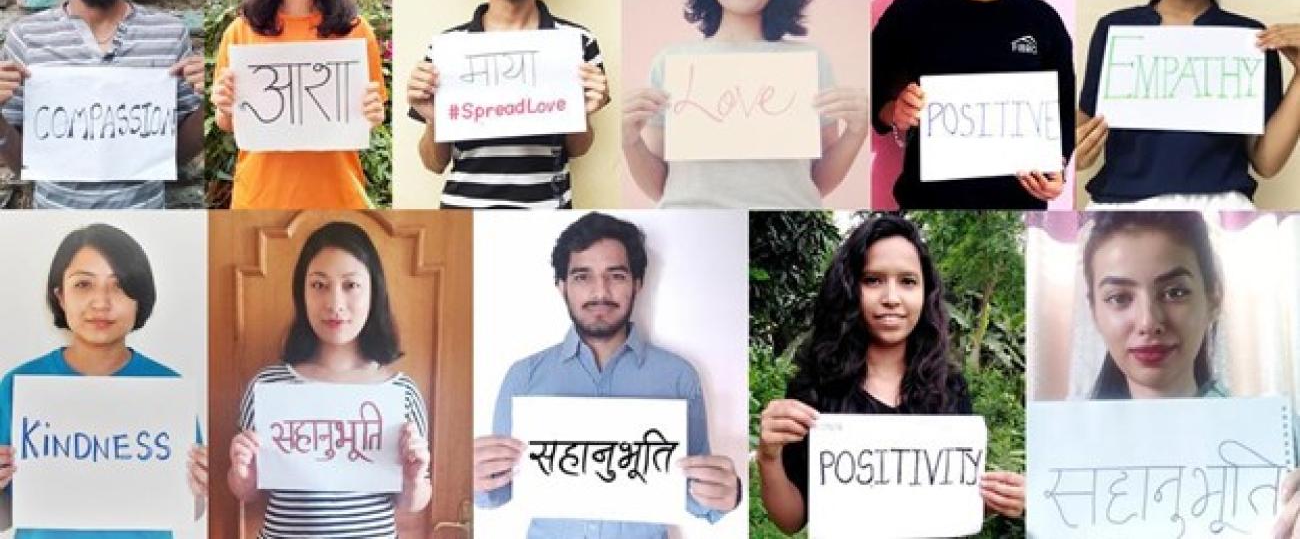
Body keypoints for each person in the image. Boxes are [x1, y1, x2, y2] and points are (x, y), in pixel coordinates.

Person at [472, 212, 739, 536]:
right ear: (561, 287)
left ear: (637, 284)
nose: (600, 292)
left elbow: (698, 495)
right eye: (583, 276)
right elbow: (496, 493)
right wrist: (474, 476)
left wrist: (728, 493)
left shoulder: (679, 377)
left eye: (616, 275)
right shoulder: (523, 378)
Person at [757, 214, 1023, 534]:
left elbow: (946, 506)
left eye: (908, 281)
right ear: (850, 288)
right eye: (873, 280)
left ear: (926, 294)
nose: (891, 298)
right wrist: (769, 457)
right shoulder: (815, 389)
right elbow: (791, 521)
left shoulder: (950, 388)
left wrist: (994, 498)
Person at [622, 0, 869, 208]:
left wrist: (856, 132)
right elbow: (660, 186)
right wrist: (629, 141)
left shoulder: (809, 62)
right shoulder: (672, 63)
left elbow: (817, 181)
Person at [1075, 0, 1300, 209]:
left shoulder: (1249, 38)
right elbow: (1085, 126)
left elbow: (1265, 160)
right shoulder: (1115, 29)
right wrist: (1074, 152)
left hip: (1221, 208)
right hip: (1122, 206)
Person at [1078, 211, 1300, 535]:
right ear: (1095, 313)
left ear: (1213, 298)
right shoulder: (1060, 457)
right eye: (1120, 298)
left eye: (1174, 292)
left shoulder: (1283, 439)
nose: (1148, 321)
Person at [872, 0, 1074, 209]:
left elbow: (1064, 109)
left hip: (1018, 210)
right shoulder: (907, 15)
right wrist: (896, 111)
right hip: (928, 204)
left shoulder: (1043, 21)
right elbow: (871, 93)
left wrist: (1060, 167)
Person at [0, 0, 204, 209]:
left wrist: (212, 103)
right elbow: (21, 164)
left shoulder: (169, 34)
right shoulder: (26, 37)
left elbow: (174, 155)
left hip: (148, 223)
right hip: (54, 222)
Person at [406, 0, 609, 209]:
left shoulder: (576, 42)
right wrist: (435, 120)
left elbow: (579, 148)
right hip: (463, 217)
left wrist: (581, 113)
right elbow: (433, 164)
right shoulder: (446, 49)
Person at [0, 223, 207, 537]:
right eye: (83, 285)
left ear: (141, 298)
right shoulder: (19, 385)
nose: (102, 302)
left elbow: (188, 509)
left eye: (120, 285)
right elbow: (5, 516)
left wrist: (200, 485)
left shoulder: (167, 389)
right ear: (60, 296)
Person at [226, 221, 430, 537]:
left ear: (373, 291)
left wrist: (415, 478)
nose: (334, 304)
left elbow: (412, 502)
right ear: (302, 292)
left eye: (351, 285)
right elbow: (247, 493)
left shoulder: (401, 393)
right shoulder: (268, 387)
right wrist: (243, 472)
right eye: (319, 285)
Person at [210, 0, 387, 209]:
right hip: (259, 204)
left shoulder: (357, 32)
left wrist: (373, 113)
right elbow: (228, 123)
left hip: (339, 203)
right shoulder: (241, 32)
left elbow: (370, 117)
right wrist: (224, 106)